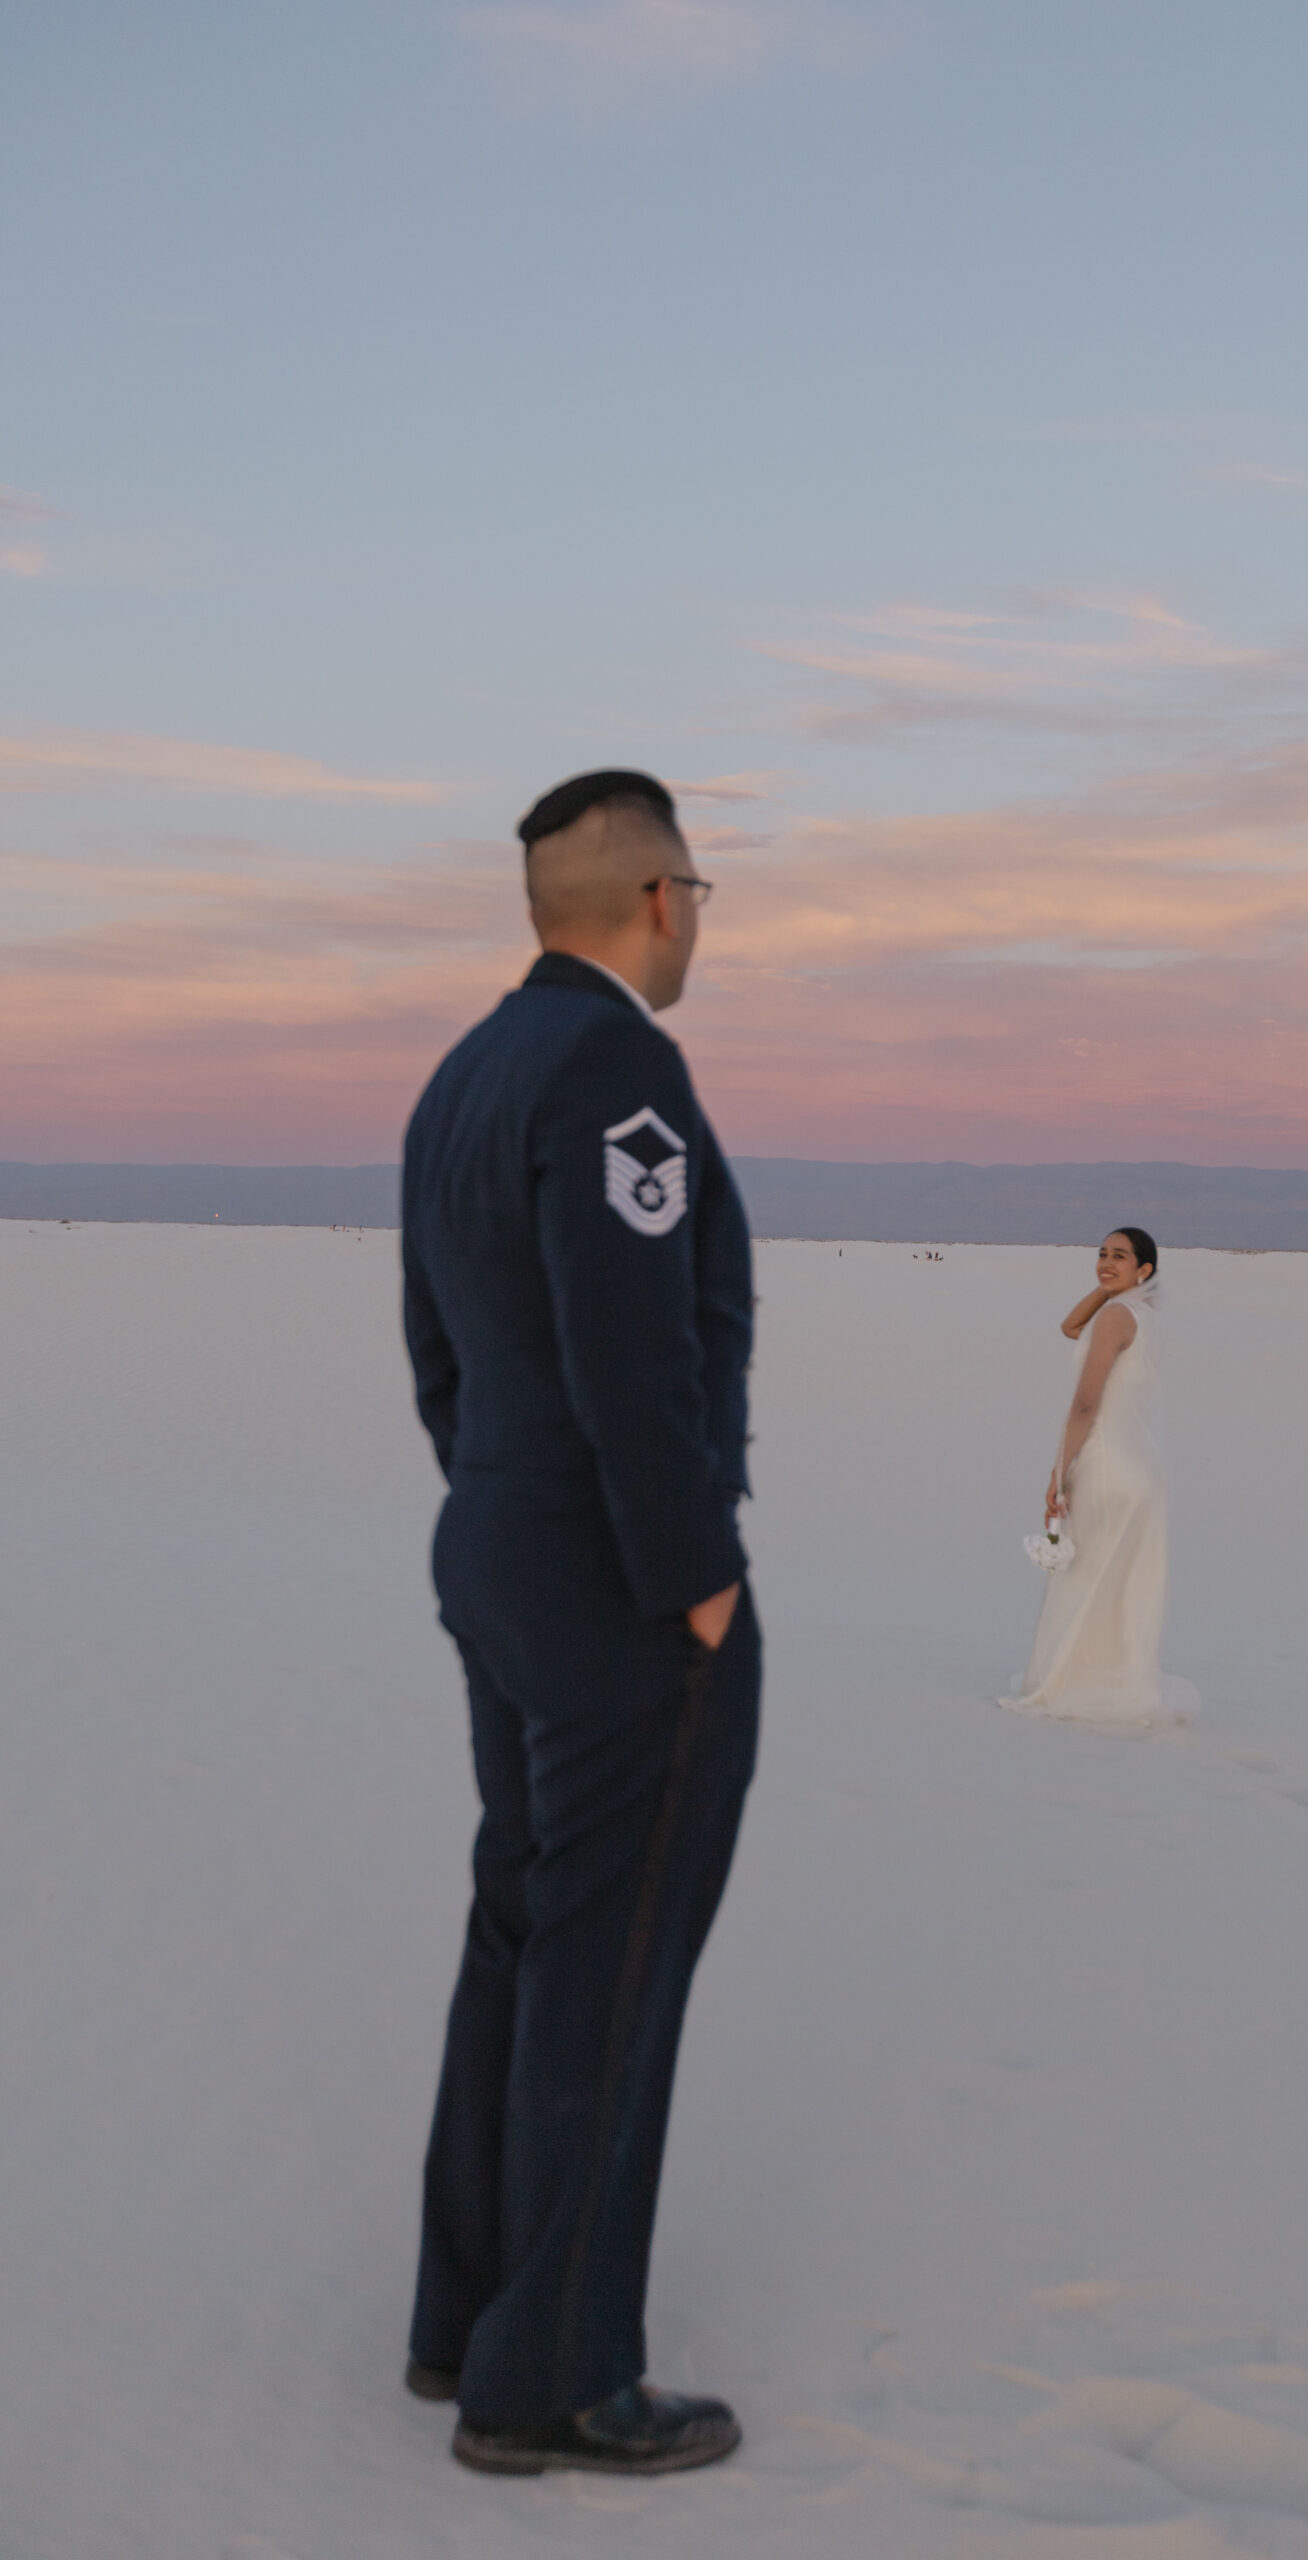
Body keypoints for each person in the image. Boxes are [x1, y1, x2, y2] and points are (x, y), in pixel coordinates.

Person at [400, 769, 759, 2479]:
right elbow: (637, 1344)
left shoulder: (463, 1073)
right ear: (656, 898)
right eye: (699, 890)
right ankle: (549, 2378)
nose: (700, 919)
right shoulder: (619, 1065)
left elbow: (439, 1352)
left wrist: (500, 1504)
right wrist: (691, 1574)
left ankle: (459, 2317)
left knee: (527, 1930)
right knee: (612, 1965)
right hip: (619, 1588)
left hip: (496, 1546)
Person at [1001, 1227, 1177, 1727]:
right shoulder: (1138, 1316)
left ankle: (1072, 1685)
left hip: (1107, 1464)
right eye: (1101, 1254)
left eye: (1120, 1256)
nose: (1105, 1261)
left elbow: (1085, 1401)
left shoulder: (1116, 1319)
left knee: (1083, 1578)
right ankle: (1111, 1681)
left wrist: (1059, 1472)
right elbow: (1068, 1326)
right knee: (1116, 1583)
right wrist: (1111, 1283)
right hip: (1141, 1468)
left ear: (1145, 1269)